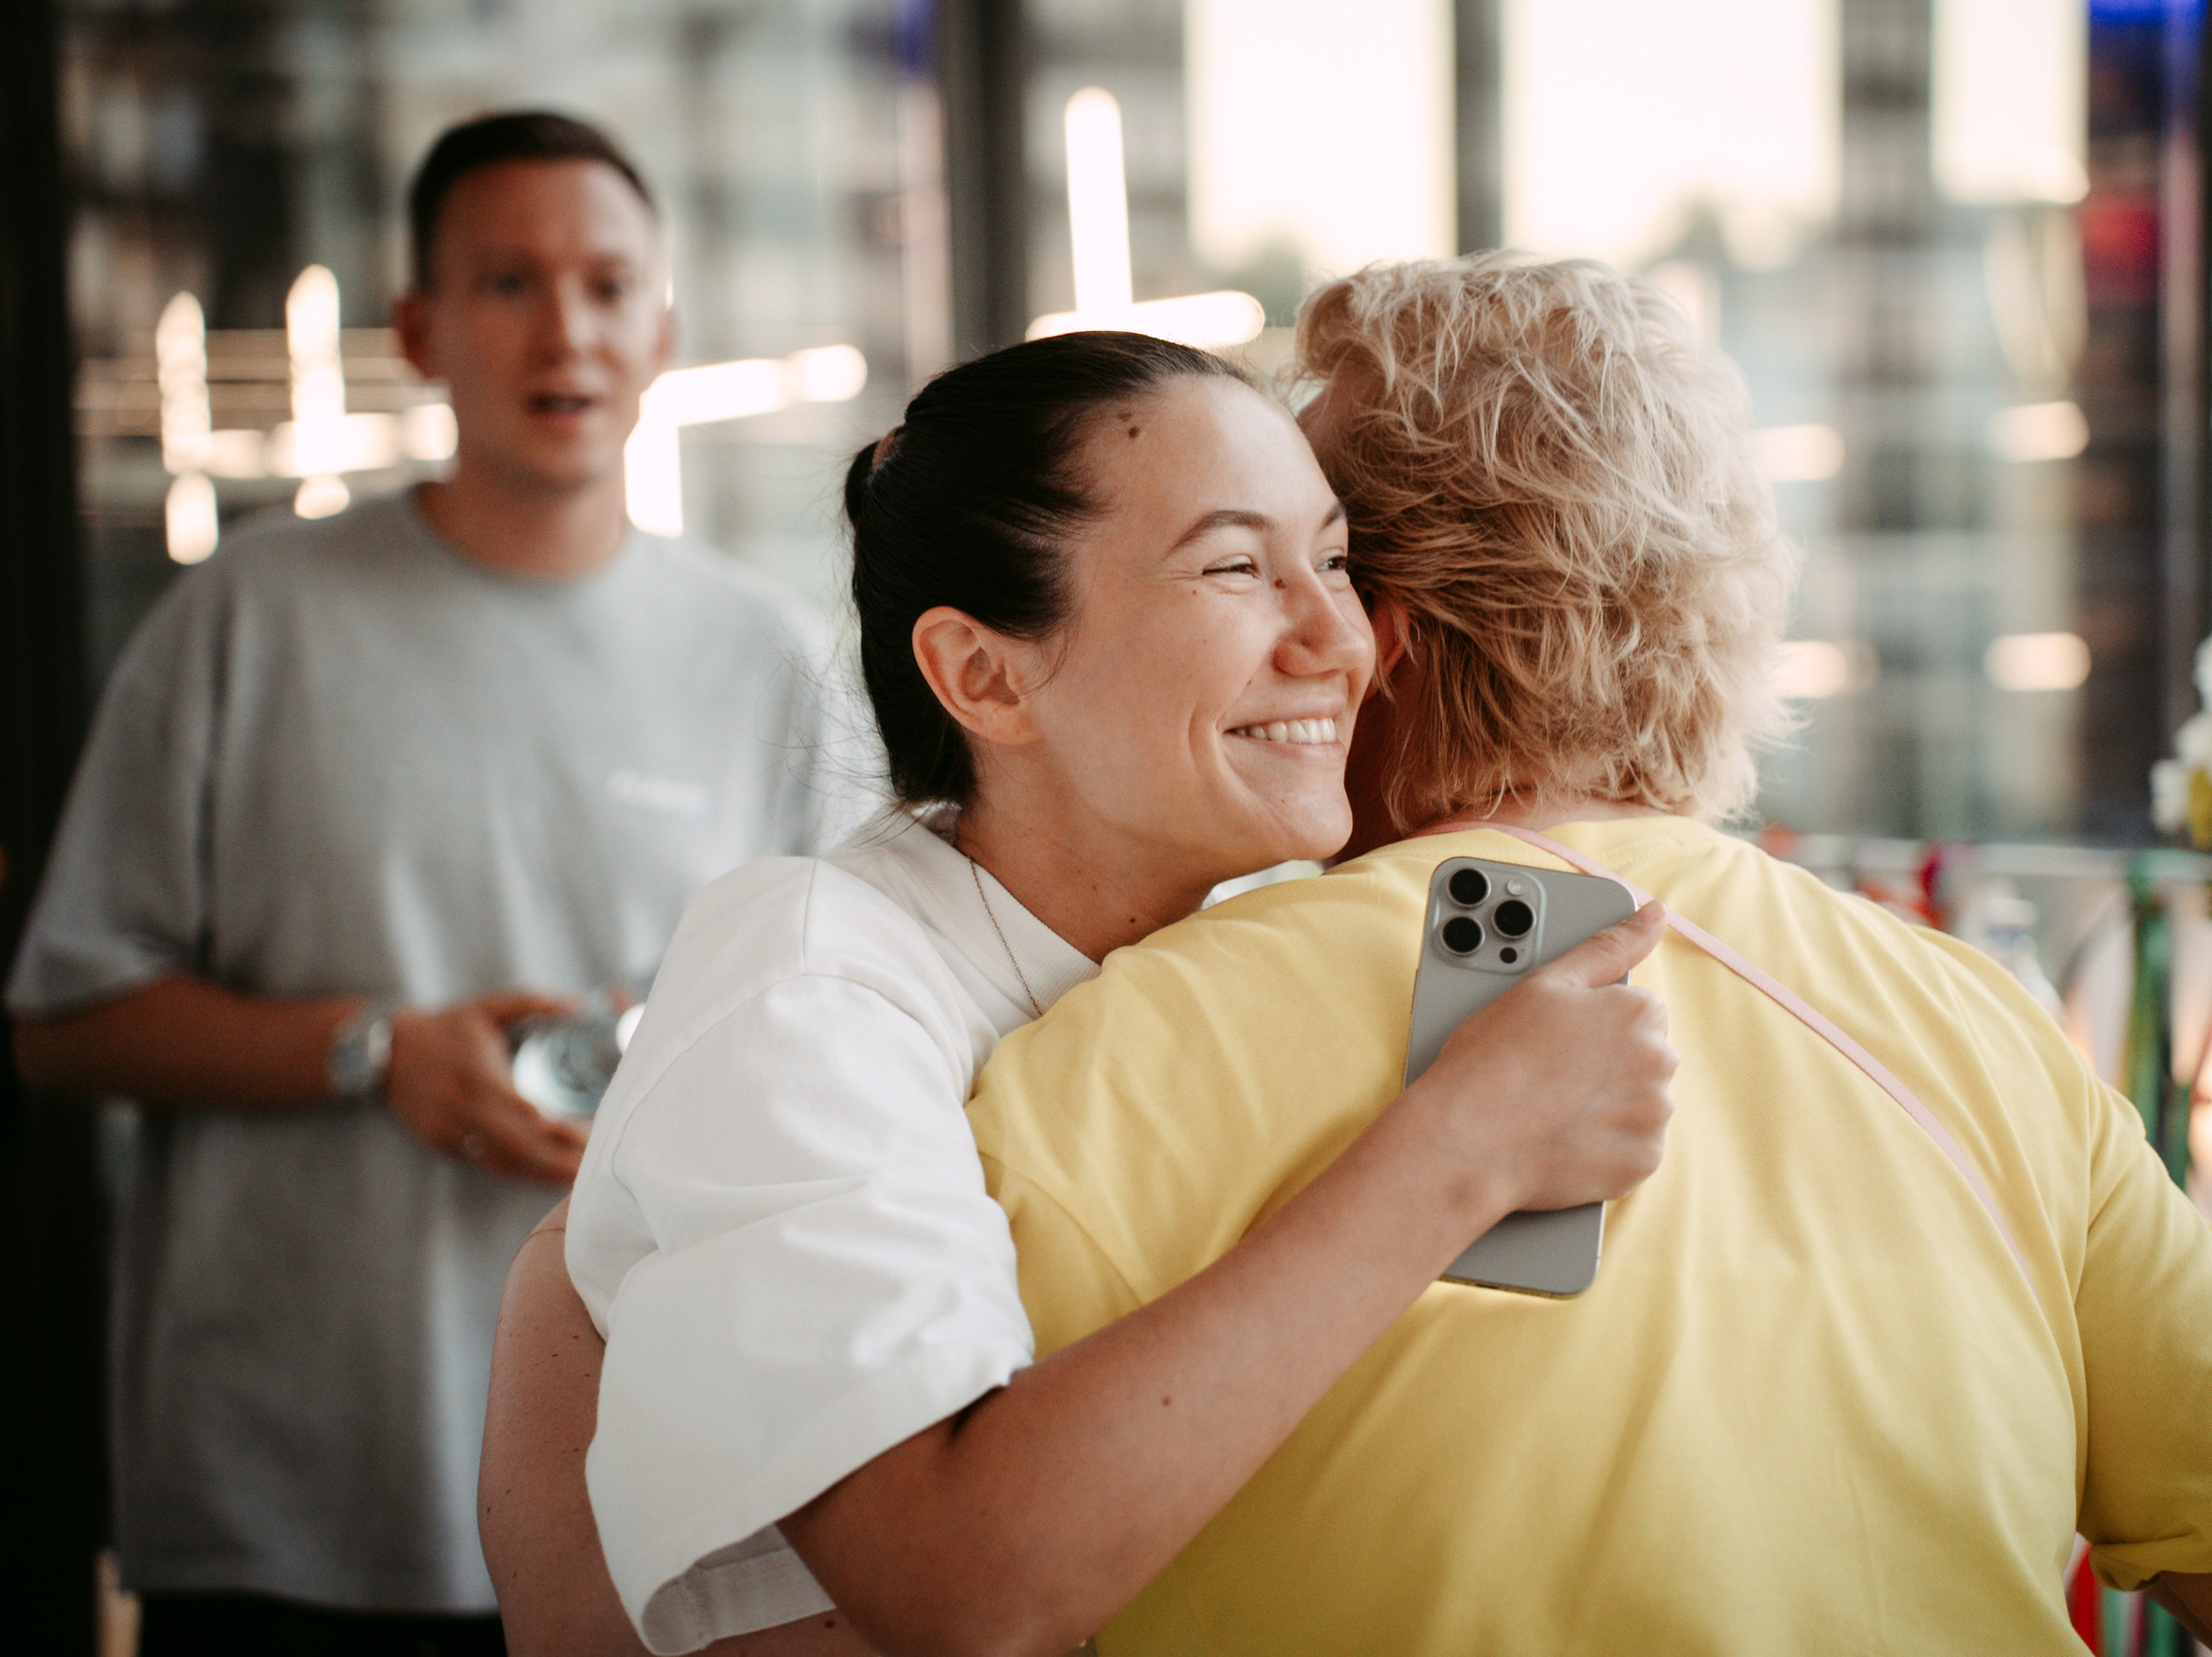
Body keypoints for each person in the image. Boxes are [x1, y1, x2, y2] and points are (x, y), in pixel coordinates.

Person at [957, 255, 2212, 1654]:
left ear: (1377, 634)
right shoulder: (1979, 1030)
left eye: (1322, 562)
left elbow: (930, 1583)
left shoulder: (1109, 1060)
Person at [496, 329, 1678, 1657]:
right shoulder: (808, 977)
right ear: (986, 675)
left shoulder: (1210, 967)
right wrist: (1467, 1146)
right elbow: (959, 1583)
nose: (1343, 640)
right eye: (1236, 568)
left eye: (1337, 563)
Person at [8, 110, 864, 1655]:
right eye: (507, 282)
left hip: (646, 1502)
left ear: (664, 330)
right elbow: (63, 1019)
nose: (567, 331)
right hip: (291, 1494)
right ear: (418, 330)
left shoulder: (772, 664)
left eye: (609, 286)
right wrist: (372, 1050)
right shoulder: (246, 620)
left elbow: (850, 1058)